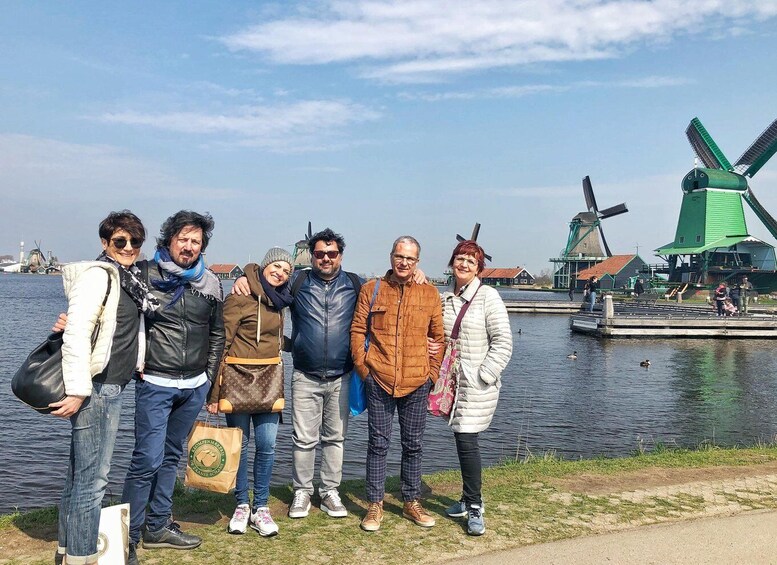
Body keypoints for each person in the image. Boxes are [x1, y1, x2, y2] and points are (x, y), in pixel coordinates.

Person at [231, 228, 430, 521]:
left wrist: (416, 273)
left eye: (332, 253)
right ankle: (302, 491)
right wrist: (245, 277)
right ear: (311, 256)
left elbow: (386, 290)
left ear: (340, 256)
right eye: (320, 253)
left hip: (342, 375)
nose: (326, 258)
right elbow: (267, 291)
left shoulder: (356, 284)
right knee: (303, 438)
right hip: (305, 374)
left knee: (336, 438)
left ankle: (329, 491)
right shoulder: (297, 282)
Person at [54, 211, 158, 565]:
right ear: (105, 243)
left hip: (114, 385)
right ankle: (82, 557)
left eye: (135, 242)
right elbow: (77, 334)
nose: (129, 247)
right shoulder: (98, 276)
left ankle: (67, 550)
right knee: (92, 482)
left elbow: (125, 330)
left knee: (77, 474)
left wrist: (139, 361)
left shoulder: (128, 279)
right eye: (120, 241)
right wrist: (78, 389)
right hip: (97, 388)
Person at [121, 211, 225, 559]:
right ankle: (127, 536)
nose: (189, 246)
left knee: (170, 457)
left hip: (193, 384)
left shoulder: (210, 284)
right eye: (183, 238)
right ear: (169, 240)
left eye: (196, 241)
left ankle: (158, 527)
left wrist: (207, 379)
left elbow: (217, 333)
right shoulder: (145, 274)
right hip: (155, 382)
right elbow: (107, 292)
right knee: (145, 460)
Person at [350, 236, 445, 532]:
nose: (404, 262)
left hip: (417, 382)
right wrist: (364, 369)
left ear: (417, 262)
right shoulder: (372, 290)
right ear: (391, 256)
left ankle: (411, 500)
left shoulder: (430, 294)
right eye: (399, 256)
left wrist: (431, 375)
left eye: (410, 259)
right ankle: (375, 504)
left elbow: (438, 338)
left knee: (413, 445)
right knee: (378, 444)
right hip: (379, 378)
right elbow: (356, 329)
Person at [207, 248, 294, 536]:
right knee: (240, 446)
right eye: (277, 266)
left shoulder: (280, 301)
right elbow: (222, 343)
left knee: (267, 446)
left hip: (269, 379)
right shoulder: (239, 296)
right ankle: (242, 504)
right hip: (238, 380)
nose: (281, 273)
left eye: (287, 271)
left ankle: (262, 507)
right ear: (266, 265)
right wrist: (215, 393)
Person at [440, 240, 513, 536]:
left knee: (467, 441)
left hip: (477, 383)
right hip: (454, 384)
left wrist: (485, 374)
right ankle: (465, 498)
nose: (464, 264)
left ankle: (474, 506)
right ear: (452, 263)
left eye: (471, 261)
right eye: (459, 258)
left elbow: (503, 342)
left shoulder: (488, 297)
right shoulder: (446, 298)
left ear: (479, 267)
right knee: (461, 439)